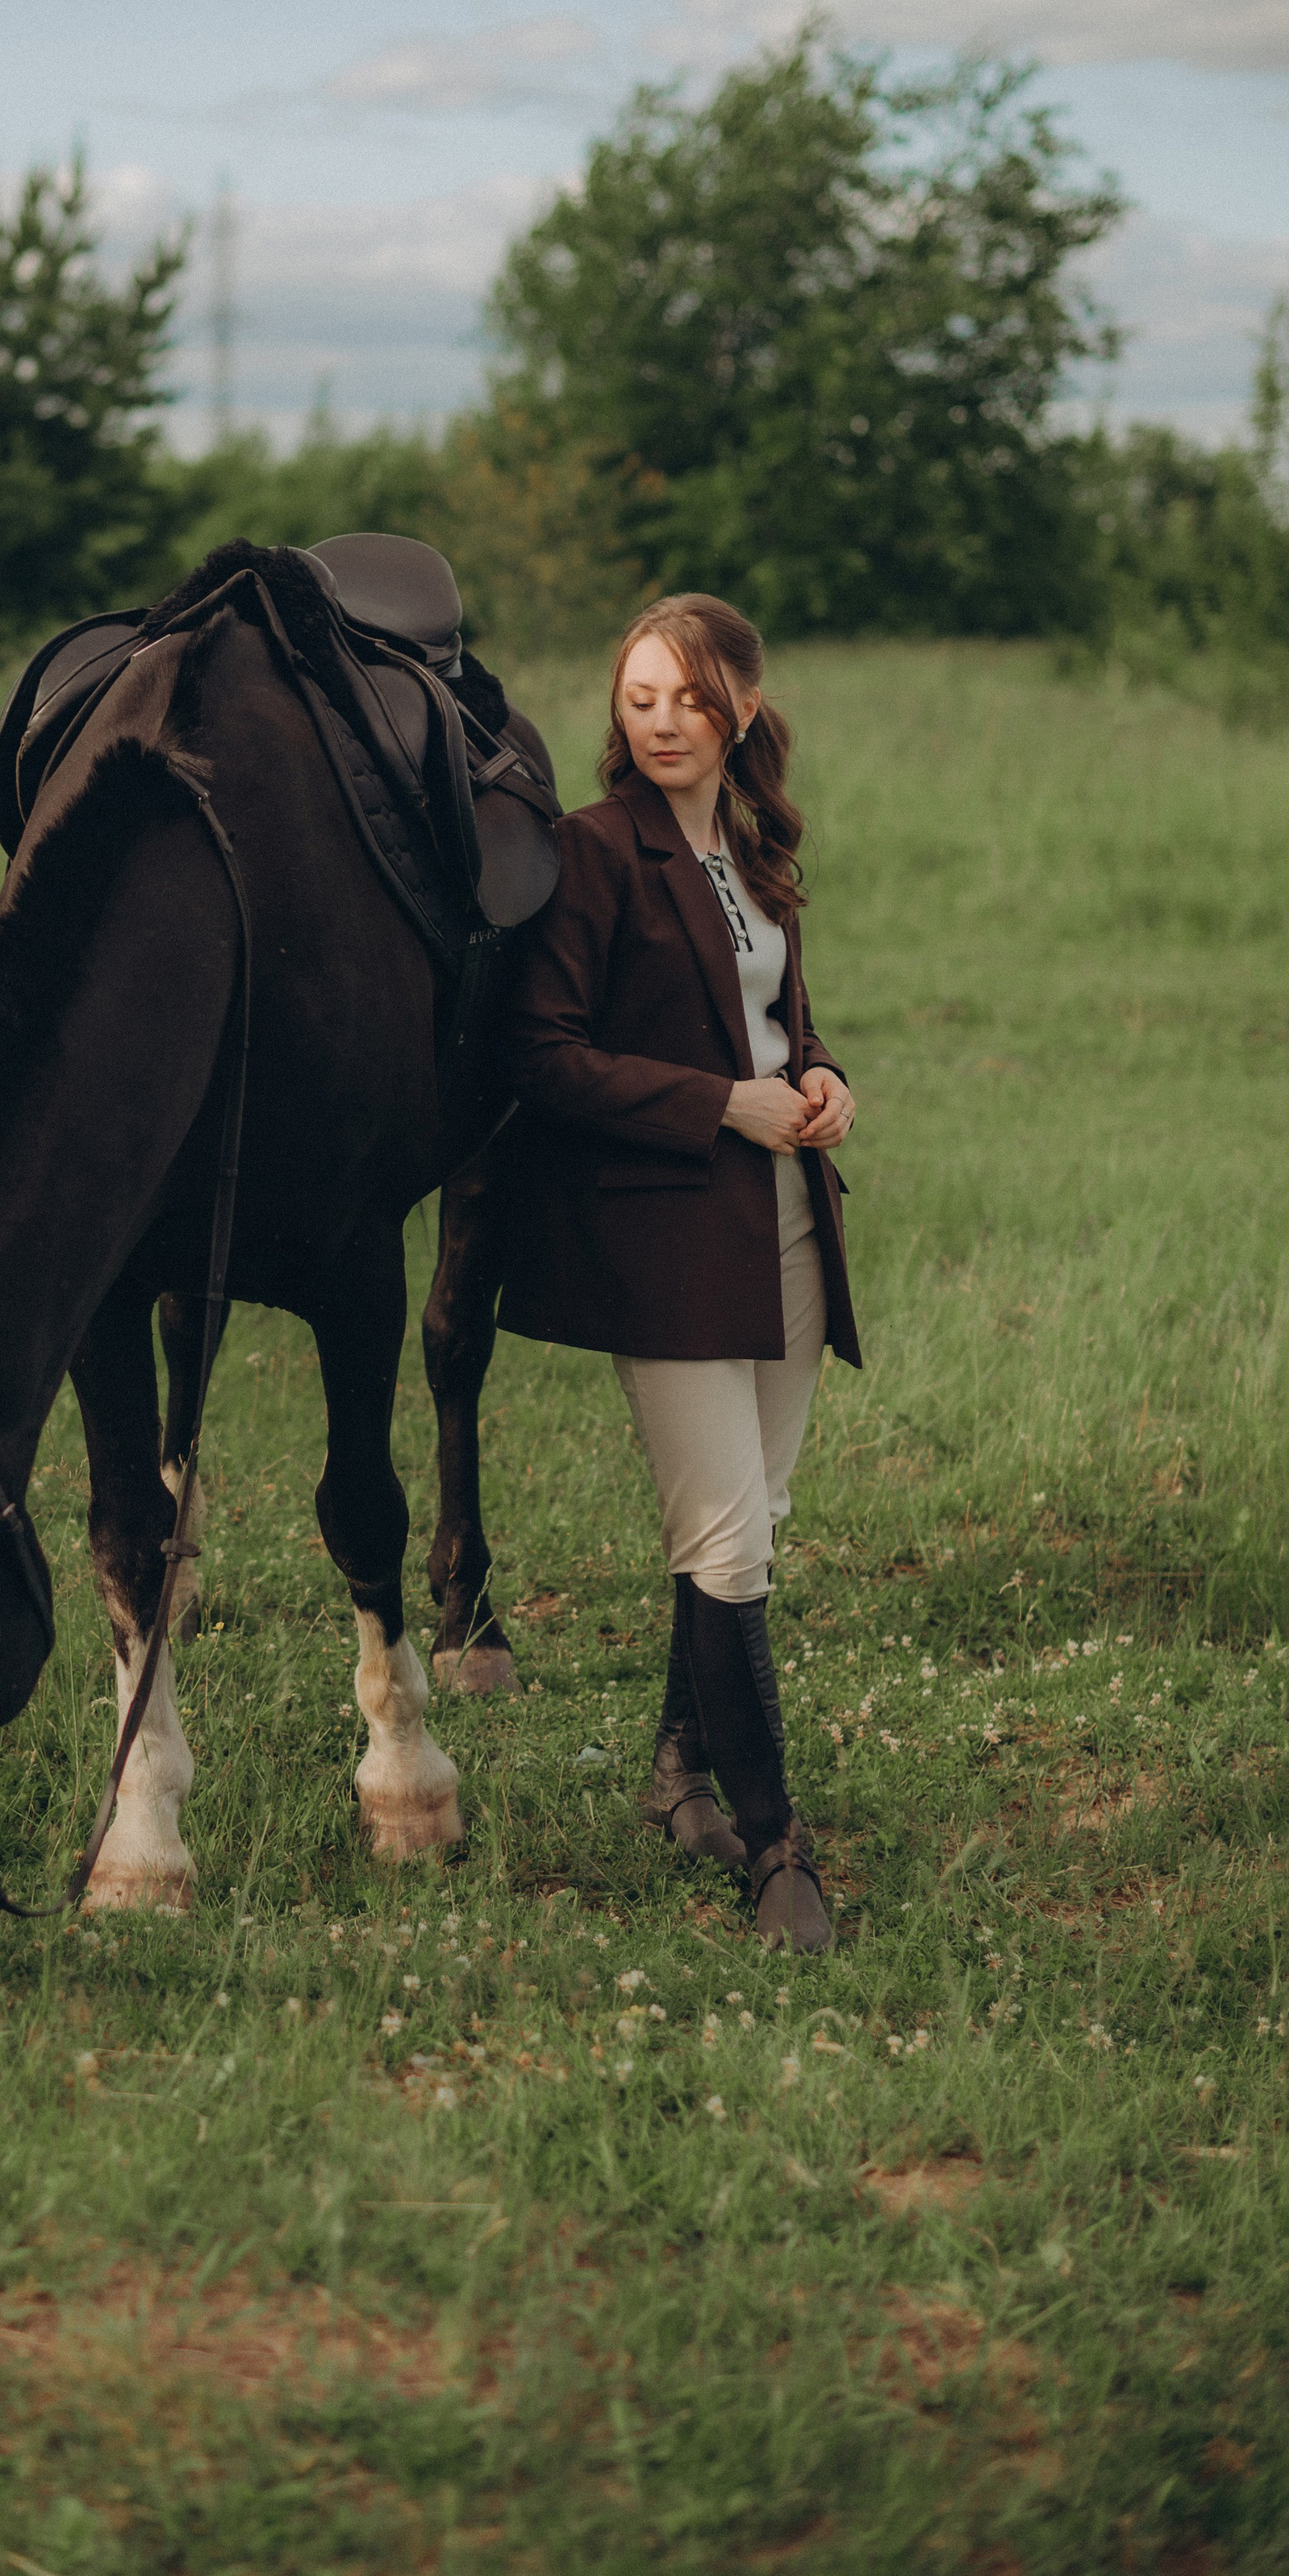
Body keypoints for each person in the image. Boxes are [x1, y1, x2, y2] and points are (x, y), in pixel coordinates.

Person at [496, 594, 860, 1951]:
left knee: (747, 1522)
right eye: (638, 696)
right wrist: (722, 1104)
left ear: (742, 711)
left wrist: (820, 1078)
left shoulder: (755, 852)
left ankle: (675, 1781)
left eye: (688, 698)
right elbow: (542, 1058)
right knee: (726, 1542)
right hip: (665, 1239)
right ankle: (778, 1857)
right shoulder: (587, 855)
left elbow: (782, 1019)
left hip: (789, 1230)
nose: (659, 721)